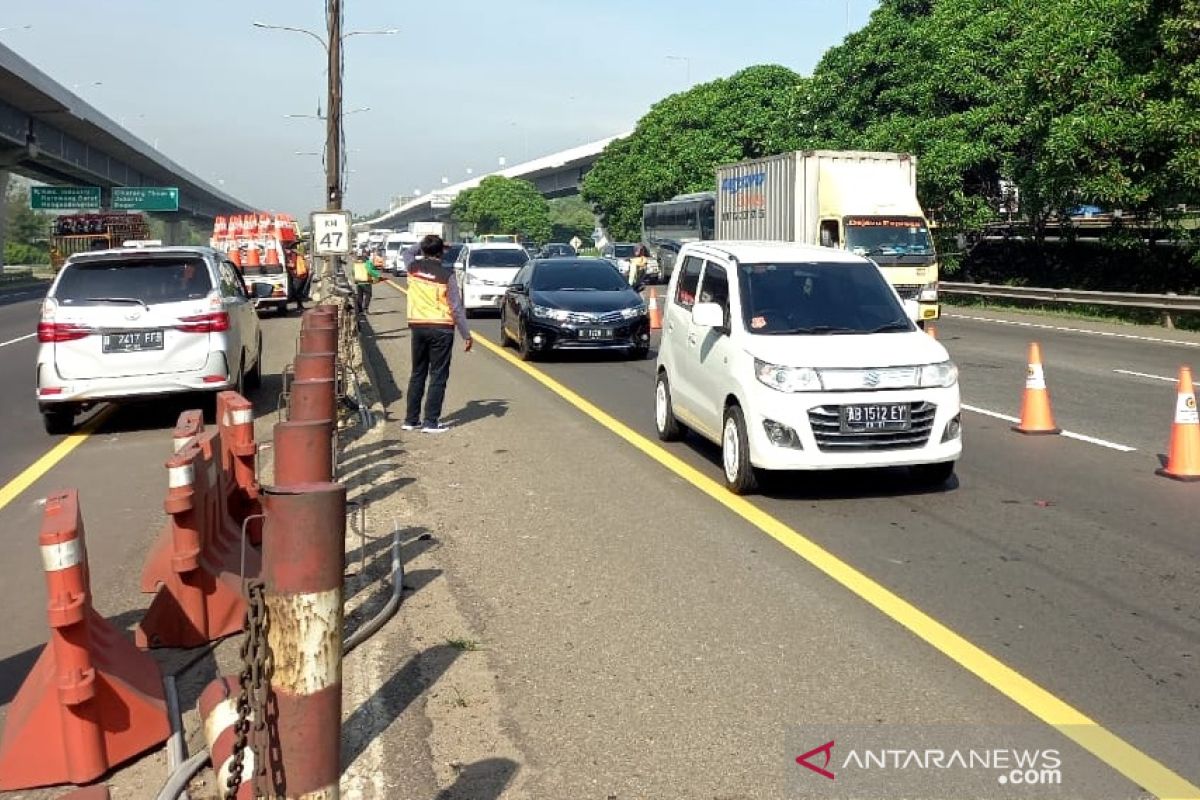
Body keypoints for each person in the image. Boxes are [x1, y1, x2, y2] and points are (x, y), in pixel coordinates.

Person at [404, 235, 472, 433]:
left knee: (417, 373)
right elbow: (456, 308)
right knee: (438, 375)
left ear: (423, 250)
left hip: (418, 325)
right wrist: (466, 335)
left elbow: (408, 252)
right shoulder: (447, 275)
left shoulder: (412, 268)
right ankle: (431, 422)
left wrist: (425, 245)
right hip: (441, 327)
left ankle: (411, 420)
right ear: (441, 252)